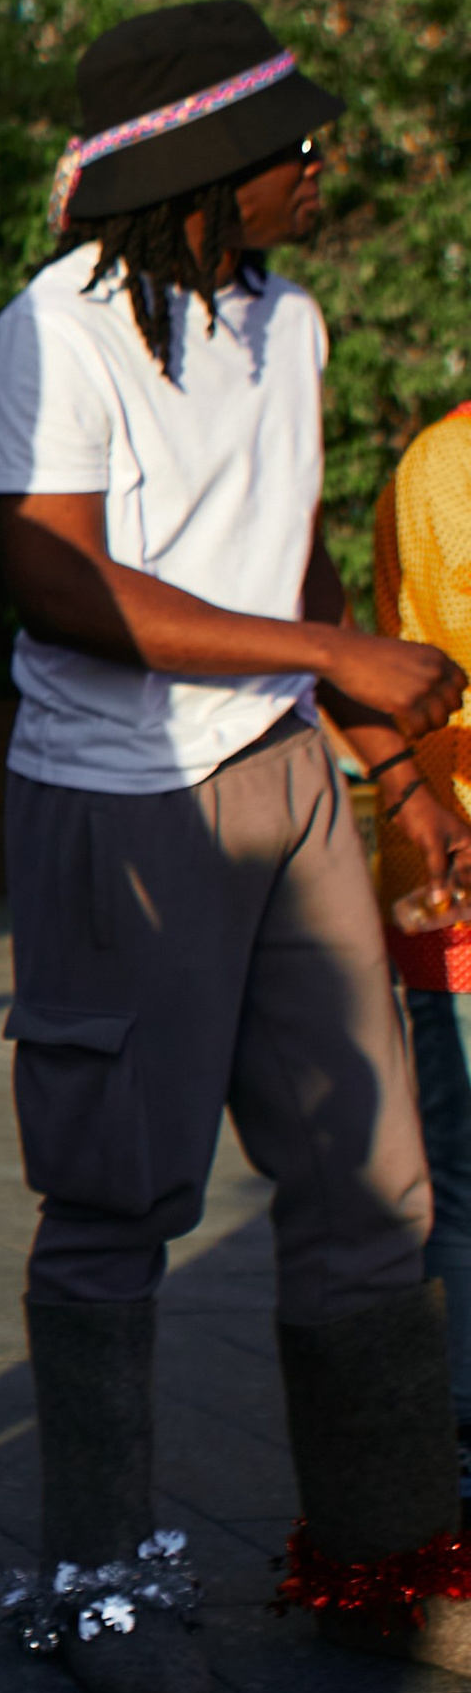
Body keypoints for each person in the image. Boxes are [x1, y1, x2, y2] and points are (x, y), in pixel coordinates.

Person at [0, 0, 470, 1693]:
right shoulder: (52, 332)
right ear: (202, 174)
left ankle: (382, 1561)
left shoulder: (295, 322)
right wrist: (340, 669)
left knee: (371, 1186)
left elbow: (302, 554)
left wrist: (396, 773)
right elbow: (57, 583)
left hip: (286, 784)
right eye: (293, 150)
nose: (320, 168)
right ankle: (97, 1588)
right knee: (118, 1201)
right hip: (121, 804)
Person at [370, 408, 471, 1490]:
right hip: (453, 865)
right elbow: (407, 668)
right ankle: (456, 1438)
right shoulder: (442, 466)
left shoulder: (431, 460)